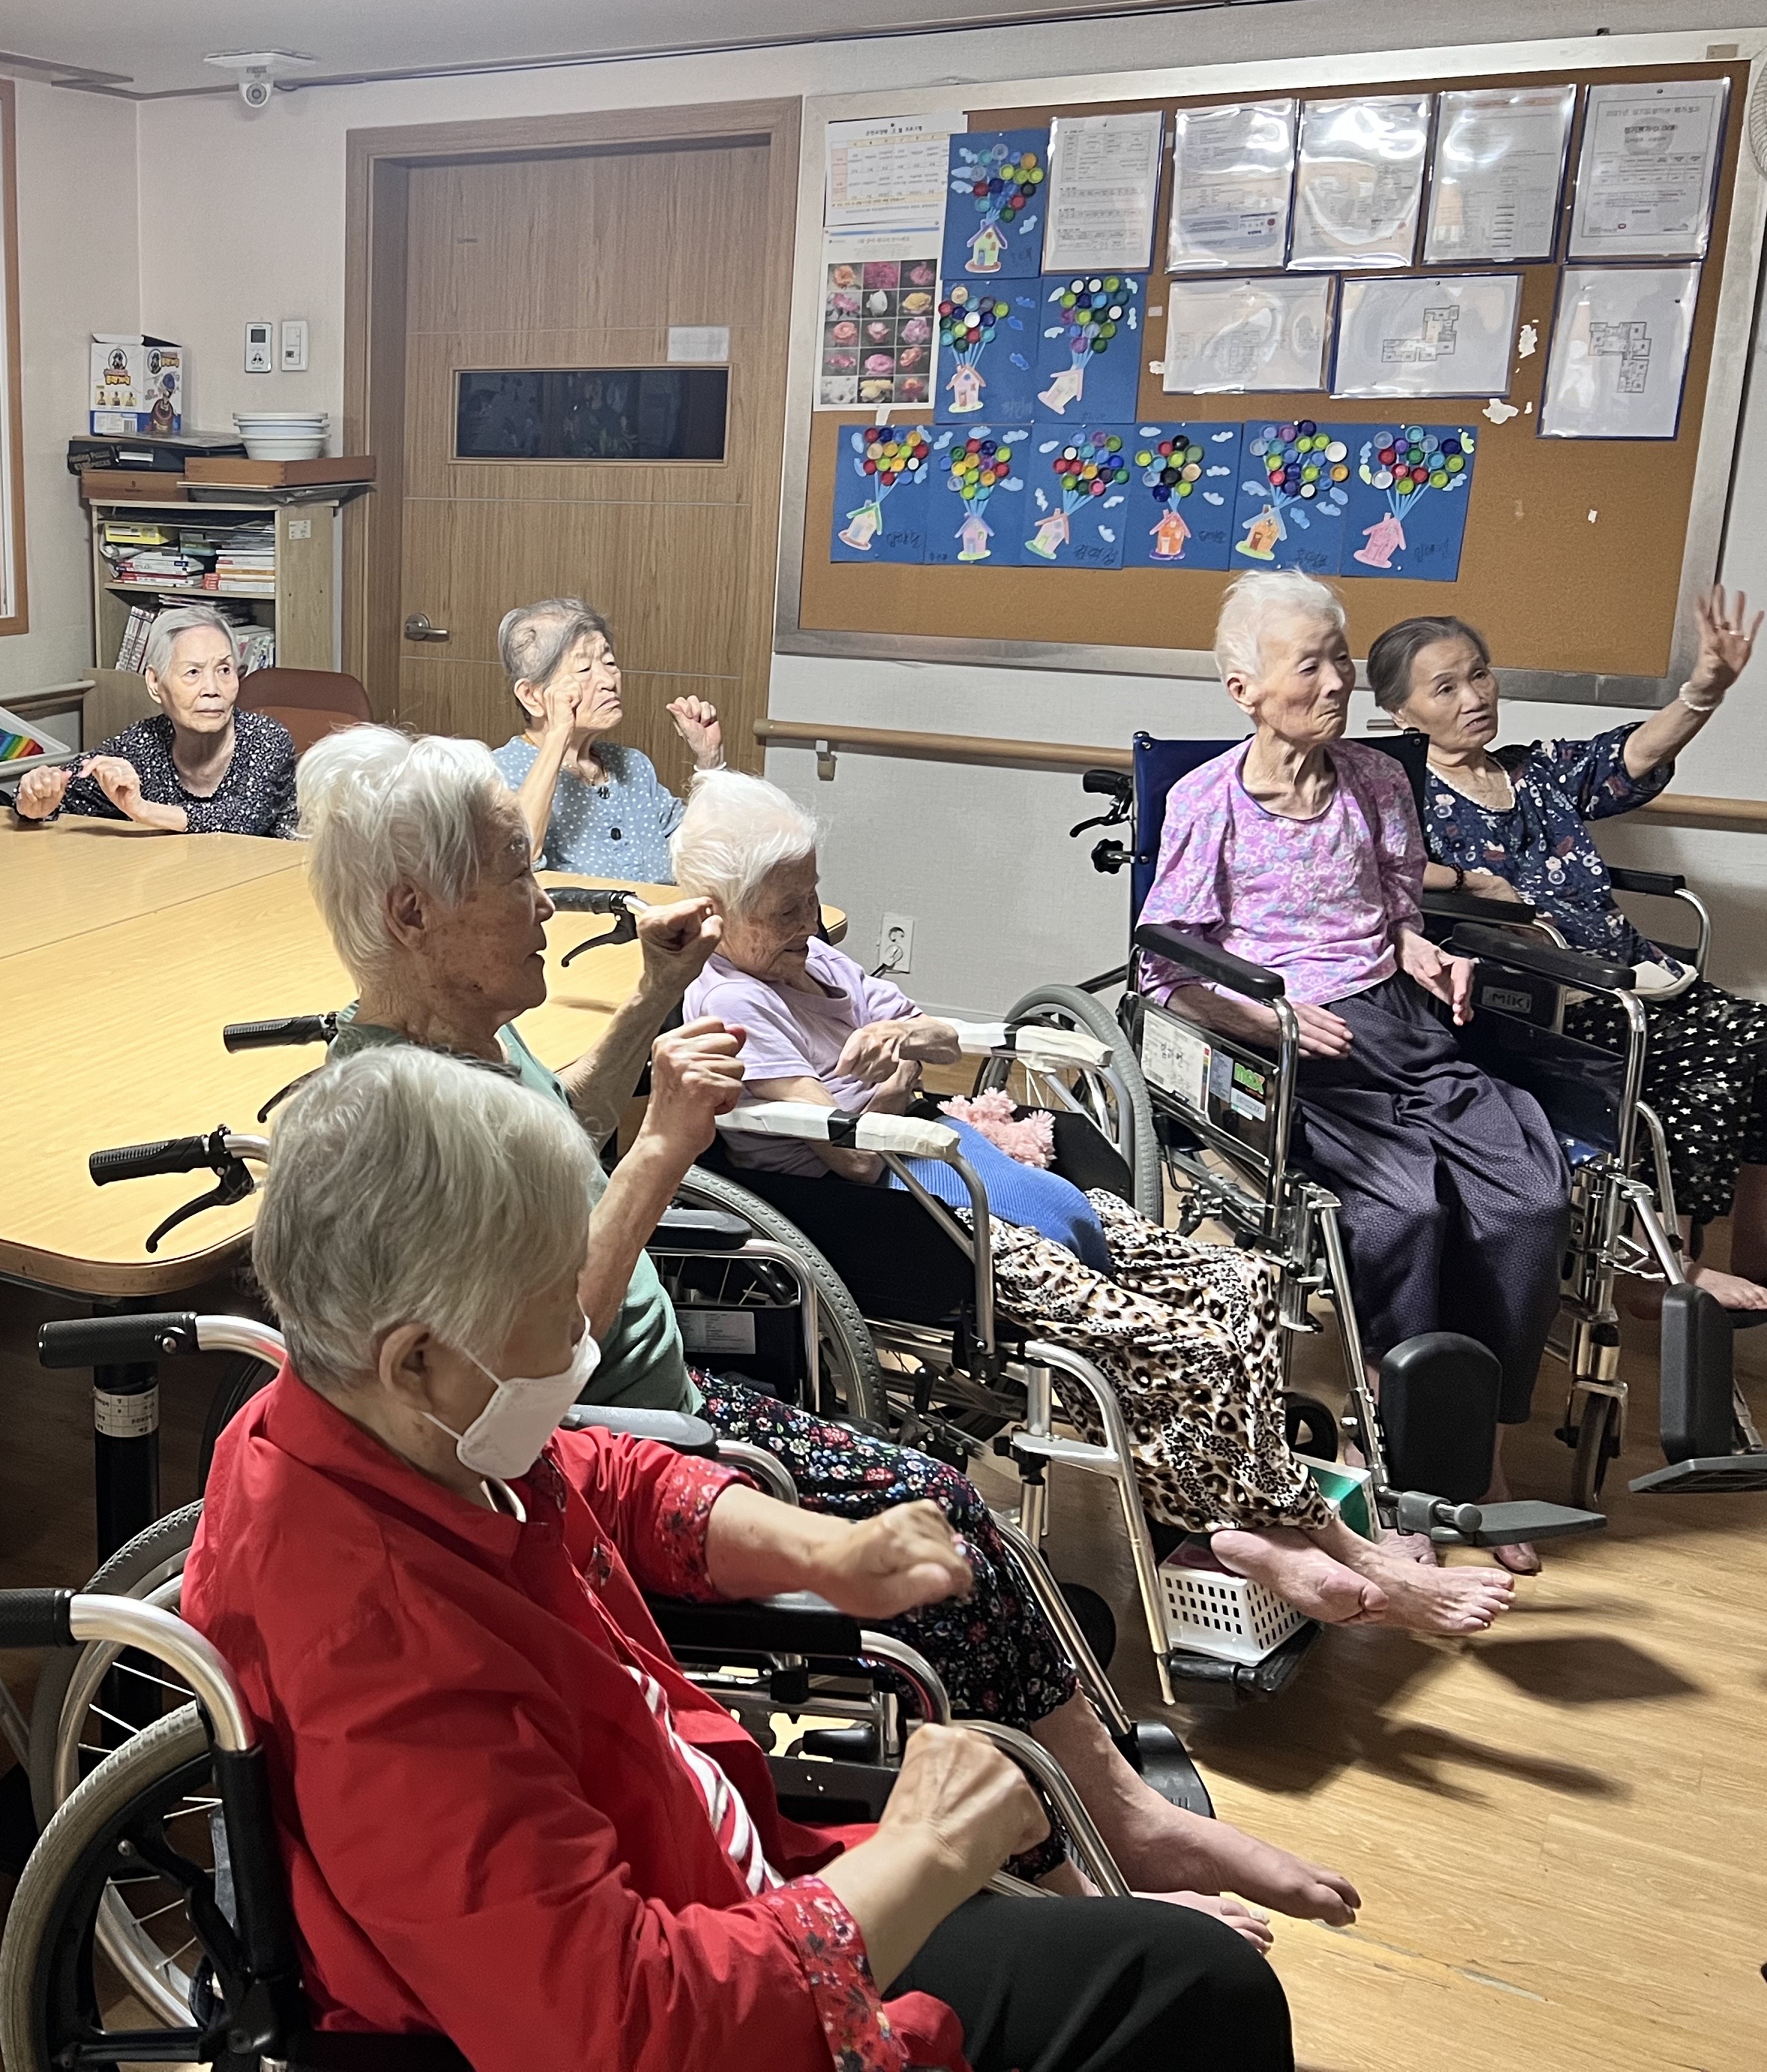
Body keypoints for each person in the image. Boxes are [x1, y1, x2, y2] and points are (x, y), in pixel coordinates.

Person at [293, 725, 1354, 1928]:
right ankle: (1081, 1881)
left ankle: (1112, 1809)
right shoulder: (413, 1115)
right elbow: (543, 1358)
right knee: (942, 1535)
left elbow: (557, 1120)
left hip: (662, 1390)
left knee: (949, 1516)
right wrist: (663, 1148)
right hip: (609, 1434)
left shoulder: (465, 1035)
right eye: (517, 877)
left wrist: (651, 1001)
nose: (548, 905)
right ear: (415, 912)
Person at [183, 1042, 1294, 2072]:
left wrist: (824, 1550)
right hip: (697, 1991)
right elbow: (625, 2026)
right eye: (551, 1307)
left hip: (705, 1862)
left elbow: (603, 1478)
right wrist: (923, 1852)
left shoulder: (358, 1425)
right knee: (1199, 1993)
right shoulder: (387, 1674)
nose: (579, 1339)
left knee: (1171, 1972)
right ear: (417, 1359)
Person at [675, 769, 1512, 1637]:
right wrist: (897, 1078)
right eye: (785, 908)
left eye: (812, 896)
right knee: (1183, 1342)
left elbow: (932, 1036)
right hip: (901, 1221)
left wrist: (907, 1046)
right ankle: (1354, 1551)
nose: (811, 921)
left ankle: (1239, 1532)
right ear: (715, 915)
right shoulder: (731, 1004)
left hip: (960, 1171)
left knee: (1245, 1285)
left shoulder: (817, 961)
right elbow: (851, 1159)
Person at [1138, 571, 1571, 1569]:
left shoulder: (1378, 780)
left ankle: (1477, 1448)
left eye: (1341, 659)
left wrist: (1426, 956)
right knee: (1404, 1214)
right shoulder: (1210, 803)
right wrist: (1270, 1016)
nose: (1337, 681)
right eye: (1311, 665)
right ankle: (1402, 1459)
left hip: (1400, 1027)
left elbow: (1398, 910)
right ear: (1245, 689)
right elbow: (1166, 970)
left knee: (1527, 1199)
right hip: (1290, 1048)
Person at [1372, 593, 1766, 1309]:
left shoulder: (1537, 771)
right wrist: (1466, 880)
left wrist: (1702, 691)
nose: (1474, 697)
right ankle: (1661, 1260)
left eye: (1479, 674)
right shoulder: (1400, 789)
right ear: (1402, 712)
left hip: (1626, 971)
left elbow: (1633, 756)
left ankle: (1711, 1250)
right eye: (1445, 688)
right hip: (1532, 997)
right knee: (1697, 1052)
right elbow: (1361, 856)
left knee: (1758, 1039)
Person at [489, 595, 726, 878]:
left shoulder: (632, 766)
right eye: (584, 669)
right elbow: (515, 860)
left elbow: (700, 851)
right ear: (531, 696)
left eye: (609, 662)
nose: (608, 681)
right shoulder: (498, 773)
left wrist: (709, 759)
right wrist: (558, 735)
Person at [12, 607, 298, 836]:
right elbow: (64, 790)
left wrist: (141, 810)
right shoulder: (142, 743)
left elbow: (243, 819)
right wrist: (35, 800)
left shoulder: (266, 738)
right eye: (193, 672)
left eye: (224, 670)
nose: (212, 689)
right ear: (155, 683)